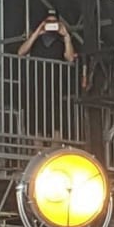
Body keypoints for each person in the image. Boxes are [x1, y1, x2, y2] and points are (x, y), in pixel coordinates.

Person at [15, 10, 77, 147]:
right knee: (35, 123)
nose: (51, 25)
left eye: (54, 22)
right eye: (48, 22)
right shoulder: (36, 40)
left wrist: (66, 36)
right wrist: (37, 32)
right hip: (36, 87)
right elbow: (21, 52)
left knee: (56, 123)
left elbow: (70, 57)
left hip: (56, 88)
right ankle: (39, 155)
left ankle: (53, 155)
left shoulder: (61, 42)